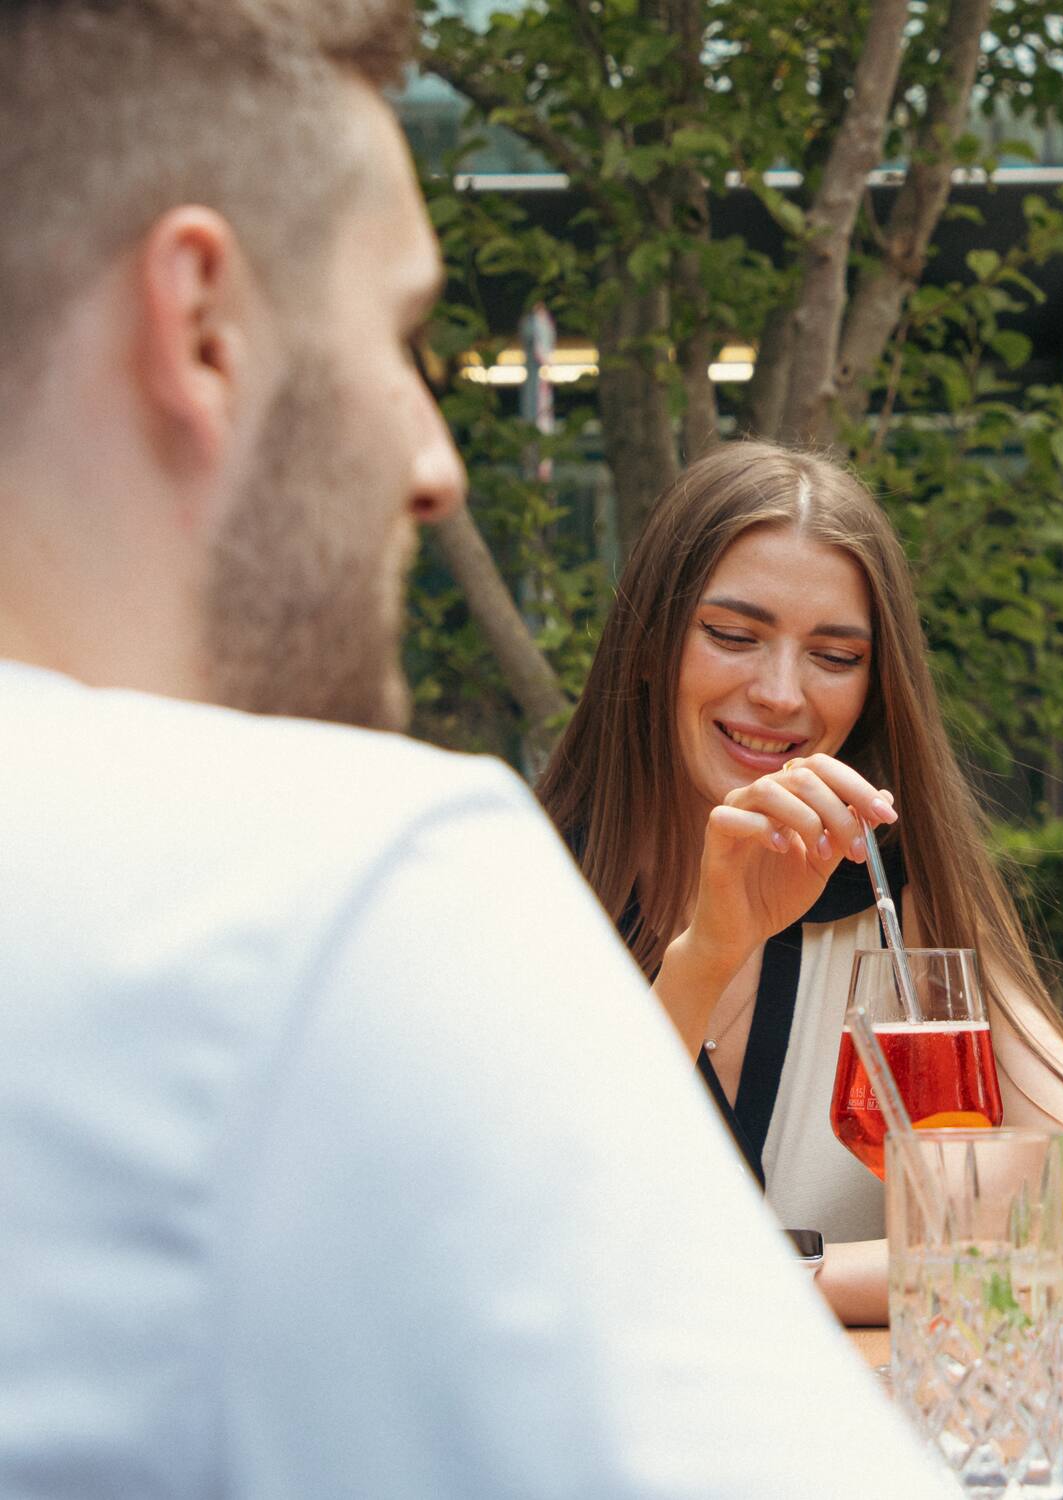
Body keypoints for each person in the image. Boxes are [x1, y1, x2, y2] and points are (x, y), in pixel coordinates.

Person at [0, 4, 955, 1496]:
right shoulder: (342, 889)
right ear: (200, 323)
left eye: (833, 653)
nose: (433, 466)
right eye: (395, 339)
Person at [538, 440, 1063, 1326]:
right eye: (733, 636)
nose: (781, 693)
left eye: (835, 656)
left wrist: (790, 1283)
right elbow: (542, 1240)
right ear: (648, 647)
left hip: (869, 1442)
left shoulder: (906, 909)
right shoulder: (521, 903)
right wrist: (706, 958)